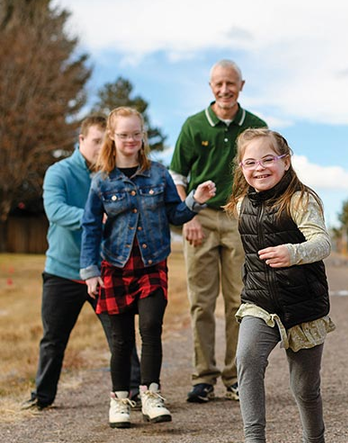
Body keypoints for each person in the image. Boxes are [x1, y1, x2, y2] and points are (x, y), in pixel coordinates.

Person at [80, 107, 216, 428]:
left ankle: (152, 394)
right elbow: (90, 227)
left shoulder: (159, 174)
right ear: (112, 137)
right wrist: (90, 271)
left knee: (151, 329)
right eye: (124, 134)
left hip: (152, 263)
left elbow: (176, 216)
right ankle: (120, 400)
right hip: (114, 266)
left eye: (136, 134)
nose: (131, 140)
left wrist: (195, 199)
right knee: (122, 339)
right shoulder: (101, 182)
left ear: (143, 136)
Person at [22, 115, 141, 411]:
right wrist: (95, 217)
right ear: (81, 141)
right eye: (96, 141)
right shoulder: (58, 172)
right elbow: (56, 211)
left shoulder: (114, 175)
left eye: (107, 141)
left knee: (121, 335)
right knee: (53, 339)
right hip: (62, 271)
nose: (102, 147)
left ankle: (135, 392)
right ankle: (42, 396)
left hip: (105, 270)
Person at [225, 128, 333, 443]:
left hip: (303, 305)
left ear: (285, 161)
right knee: (246, 358)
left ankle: (315, 439)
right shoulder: (242, 204)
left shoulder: (301, 200)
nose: (259, 168)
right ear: (242, 168)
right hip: (260, 302)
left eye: (268, 159)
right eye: (250, 162)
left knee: (305, 388)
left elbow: (322, 243)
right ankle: (254, 438)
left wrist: (293, 253)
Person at [169, 59, 267, 403]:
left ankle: (234, 376)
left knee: (241, 302)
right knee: (202, 303)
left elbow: (264, 173)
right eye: (218, 84)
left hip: (240, 219)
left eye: (231, 83)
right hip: (202, 219)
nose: (225, 90)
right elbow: (178, 178)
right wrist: (188, 217)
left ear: (242, 85)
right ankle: (203, 378)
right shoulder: (195, 126)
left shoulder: (255, 126)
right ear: (210, 87)